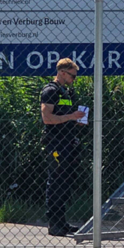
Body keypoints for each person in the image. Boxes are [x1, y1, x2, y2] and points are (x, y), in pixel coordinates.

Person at [40, 58, 86, 236]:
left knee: (65, 182)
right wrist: (71, 117)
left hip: (68, 141)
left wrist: (77, 120)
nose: (74, 79)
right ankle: (54, 224)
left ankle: (62, 222)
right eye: (72, 76)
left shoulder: (66, 92)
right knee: (56, 182)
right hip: (56, 142)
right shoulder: (50, 91)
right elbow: (47, 118)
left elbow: (65, 116)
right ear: (62, 73)